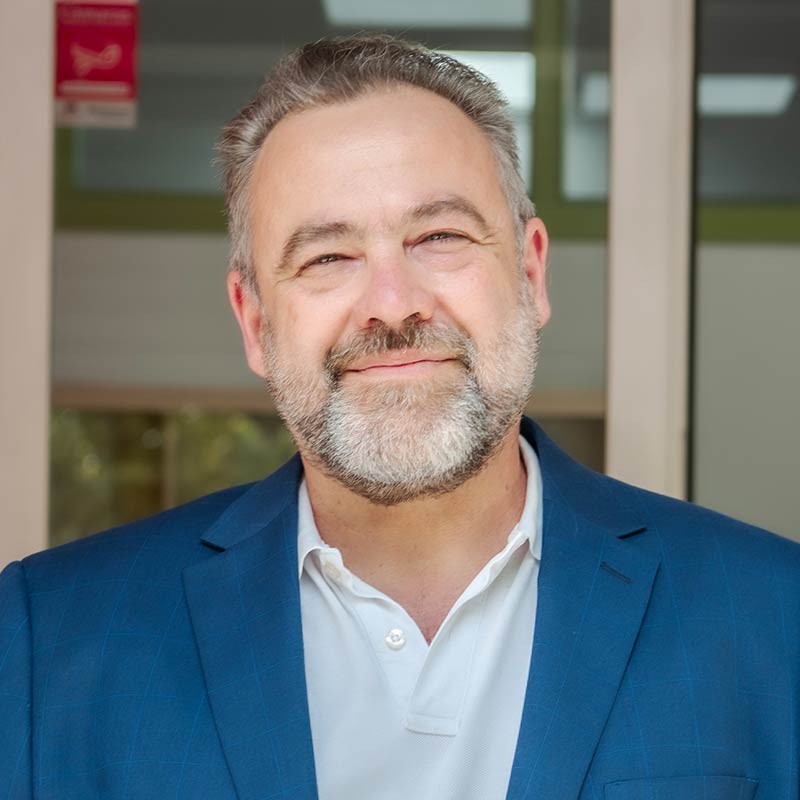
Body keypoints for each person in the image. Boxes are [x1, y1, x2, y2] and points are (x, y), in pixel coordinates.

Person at [1, 34, 798, 800]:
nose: (392, 304)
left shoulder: (772, 617)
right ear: (254, 319)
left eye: (440, 236)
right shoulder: (52, 636)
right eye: (327, 257)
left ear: (530, 274)